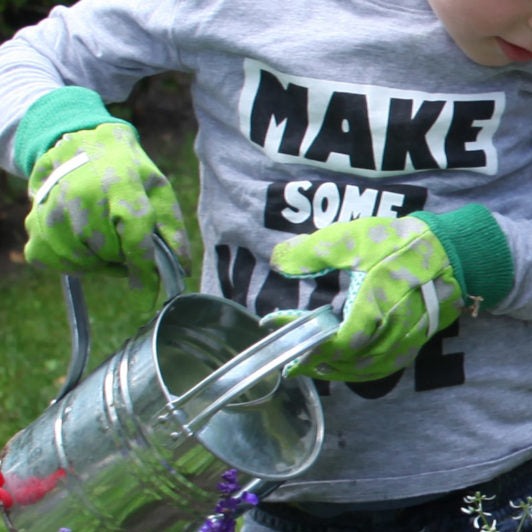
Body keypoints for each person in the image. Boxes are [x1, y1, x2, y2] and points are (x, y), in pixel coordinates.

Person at [0, 0, 530, 530]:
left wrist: (479, 255)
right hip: (249, 472)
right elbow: (31, 58)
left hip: (491, 486)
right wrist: (63, 139)